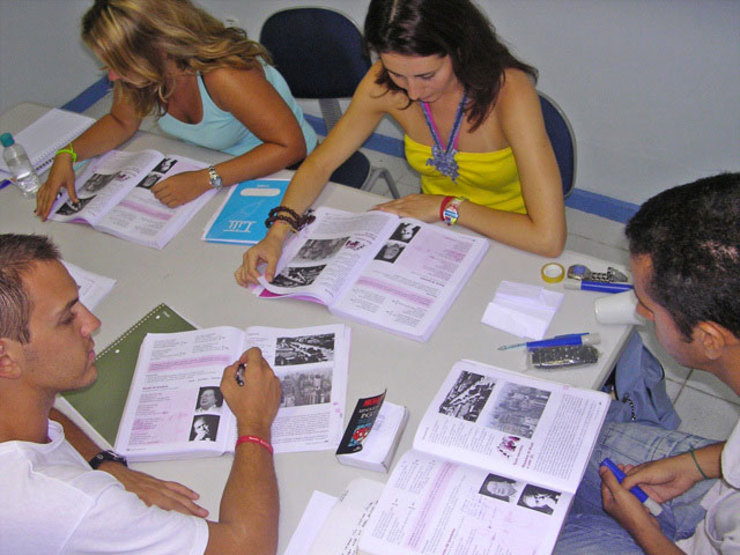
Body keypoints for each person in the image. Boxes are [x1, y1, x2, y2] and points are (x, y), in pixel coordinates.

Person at [236, 0, 565, 286]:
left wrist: (444, 207)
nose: (412, 92)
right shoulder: (383, 81)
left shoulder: (509, 92)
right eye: (397, 74)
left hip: (511, 238)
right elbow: (321, 163)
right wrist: (278, 233)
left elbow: (547, 239)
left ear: (460, 49)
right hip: (437, 234)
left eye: (426, 75)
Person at [0, 234, 282, 553]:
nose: (92, 323)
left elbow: (43, 407)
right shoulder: (69, 502)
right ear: (5, 359)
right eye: (67, 318)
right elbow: (249, 547)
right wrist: (254, 423)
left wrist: (104, 463)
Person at [554, 172, 740, 554]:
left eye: (649, 305)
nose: (639, 310)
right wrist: (697, 464)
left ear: (708, 340)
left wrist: (640, 528)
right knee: (564, 435)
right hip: (718, 496)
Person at [35, 0, 317, 220]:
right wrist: (67, 153)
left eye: (119, 64)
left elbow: (291, 147)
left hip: (283, 169)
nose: (111, 76)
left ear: (157, 49)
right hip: (213, 167)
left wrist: (205, 179)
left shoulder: (224, 75)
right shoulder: (141, 74)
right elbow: (121, 121)